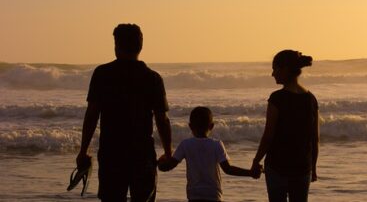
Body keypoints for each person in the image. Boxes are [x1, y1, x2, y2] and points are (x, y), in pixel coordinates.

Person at [76, 23, 172, 202]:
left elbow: (92, 114)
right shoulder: (152, 77)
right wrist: (168, 152)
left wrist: (83, 150)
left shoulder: (102, 74)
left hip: (111, 151)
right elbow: (162, 119)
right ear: (140, 46)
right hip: (142, 152)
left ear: (116, 45)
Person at [251, 50, 319, 202]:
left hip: (277, 167)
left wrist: (256, 161)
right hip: (302, 168)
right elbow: (315, 138)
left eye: (275, 69)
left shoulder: (277, 98)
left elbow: (268, 135)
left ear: (285, 69)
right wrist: (313, 168)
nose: (273, 74)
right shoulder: (311, 99)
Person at [158, 106, 262, 202]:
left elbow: (167, 166)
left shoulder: (185, 145)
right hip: (213, 195)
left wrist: (160, 162)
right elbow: (228, 169)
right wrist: (250, 173)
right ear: (211, 126)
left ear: (190, 126)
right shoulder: (216, 144)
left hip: (194, 196)